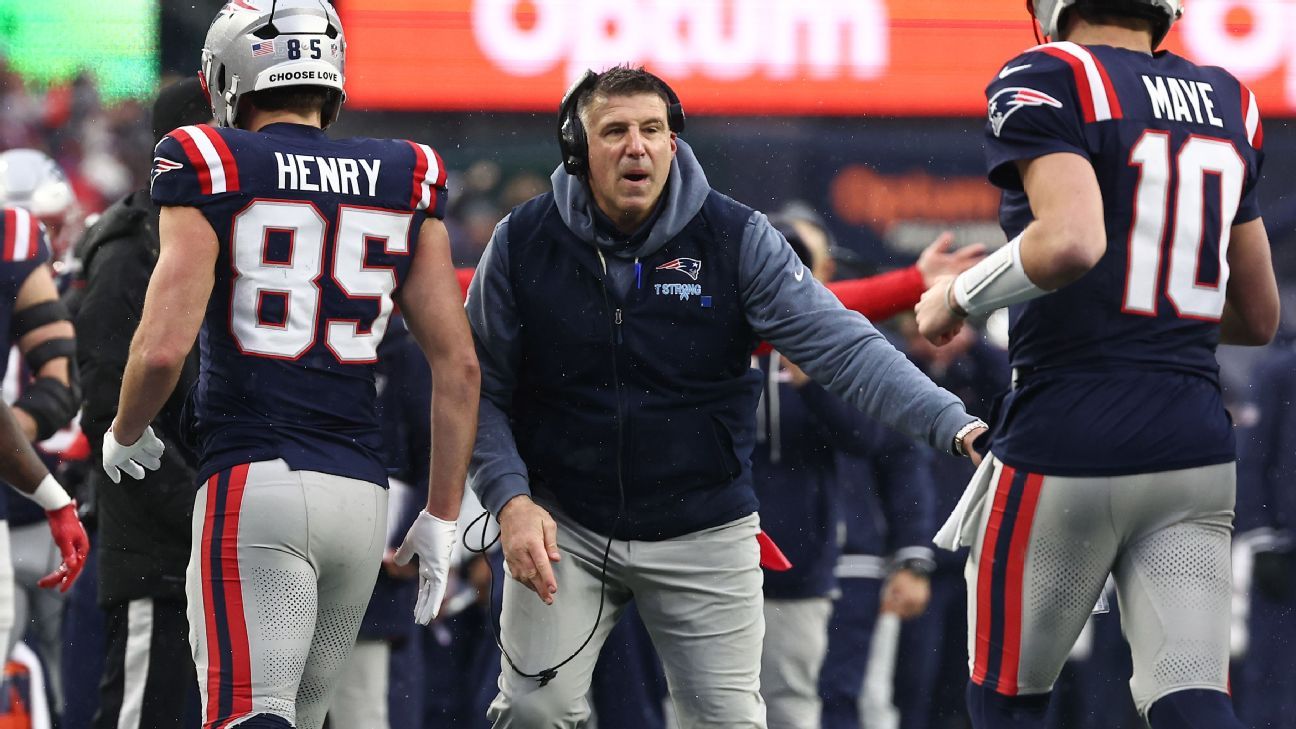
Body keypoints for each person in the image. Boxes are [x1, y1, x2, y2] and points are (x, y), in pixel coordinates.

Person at [467, 64, 987, 728]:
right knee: (533, 712)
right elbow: (477, 385)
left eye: (652, 129)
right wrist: (509, 500)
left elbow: (843, 344)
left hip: (703, 525)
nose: (637, 146)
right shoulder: (523, 241)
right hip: (565, 520)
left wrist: (953, 423)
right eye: (615, 131)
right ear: (577, 149)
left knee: (728, 722)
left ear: (674, 142)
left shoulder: (735, 237)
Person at [103, 2, 481, 728]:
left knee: (246, 713)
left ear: (228, 76)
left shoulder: (209, 160)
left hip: (257, 480)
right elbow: (458, 366)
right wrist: (442, 513)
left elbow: (160, 348)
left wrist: (126, 428)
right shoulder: (405, 172)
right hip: (362, 497)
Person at [914, 1, 1278, 727]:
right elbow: (1258, 313)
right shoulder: (1228, 99)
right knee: (1191, 697)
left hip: (1067, 434)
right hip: (1192, 442)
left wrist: (954, 295)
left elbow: (1071, 241)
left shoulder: (1053, 73)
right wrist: (1151, 320)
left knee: (1006, 701)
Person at [75, 76, 212, 729]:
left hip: (214, 542)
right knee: (140, 715)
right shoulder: (133, 249)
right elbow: (109, 409)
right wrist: (205, 511)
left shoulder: (211, 234)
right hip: (156, 550)